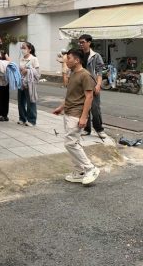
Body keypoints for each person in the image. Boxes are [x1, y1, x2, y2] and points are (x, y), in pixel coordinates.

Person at [53, 49, 100, 185]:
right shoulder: (73, 73)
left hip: (76, 114)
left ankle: (90, 168)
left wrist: (84, 117)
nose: (66, 61)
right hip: (68, 112)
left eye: (69, 58)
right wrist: (61, 108)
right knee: (74, 142)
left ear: (77, 60)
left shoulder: (85, 75)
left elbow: (89, 97)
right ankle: (80, 171)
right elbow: (71, 95)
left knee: (70, 143)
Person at [78, 34, 107, 139]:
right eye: (79, 42)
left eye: (83, 42)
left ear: (89, 42)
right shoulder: (78, 55)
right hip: (81, 85)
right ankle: (86, 129)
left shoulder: (96, 56)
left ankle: (99, 129)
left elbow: (99, 72)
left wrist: (98, 84)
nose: (81, 44)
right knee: (84, 107)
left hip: (92, 85)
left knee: (95, 108)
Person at [18, 41, 40, 126]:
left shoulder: (34, 59)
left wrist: (27, 71)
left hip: (30, 83)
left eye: (24, 48)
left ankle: (32, 120)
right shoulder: (21, 58)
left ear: (29, 49)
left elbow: (37, 72)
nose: (22, 49)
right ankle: (22, 118)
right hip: (21, 82)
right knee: (21, 101)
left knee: (31, 101)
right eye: (22, 47)